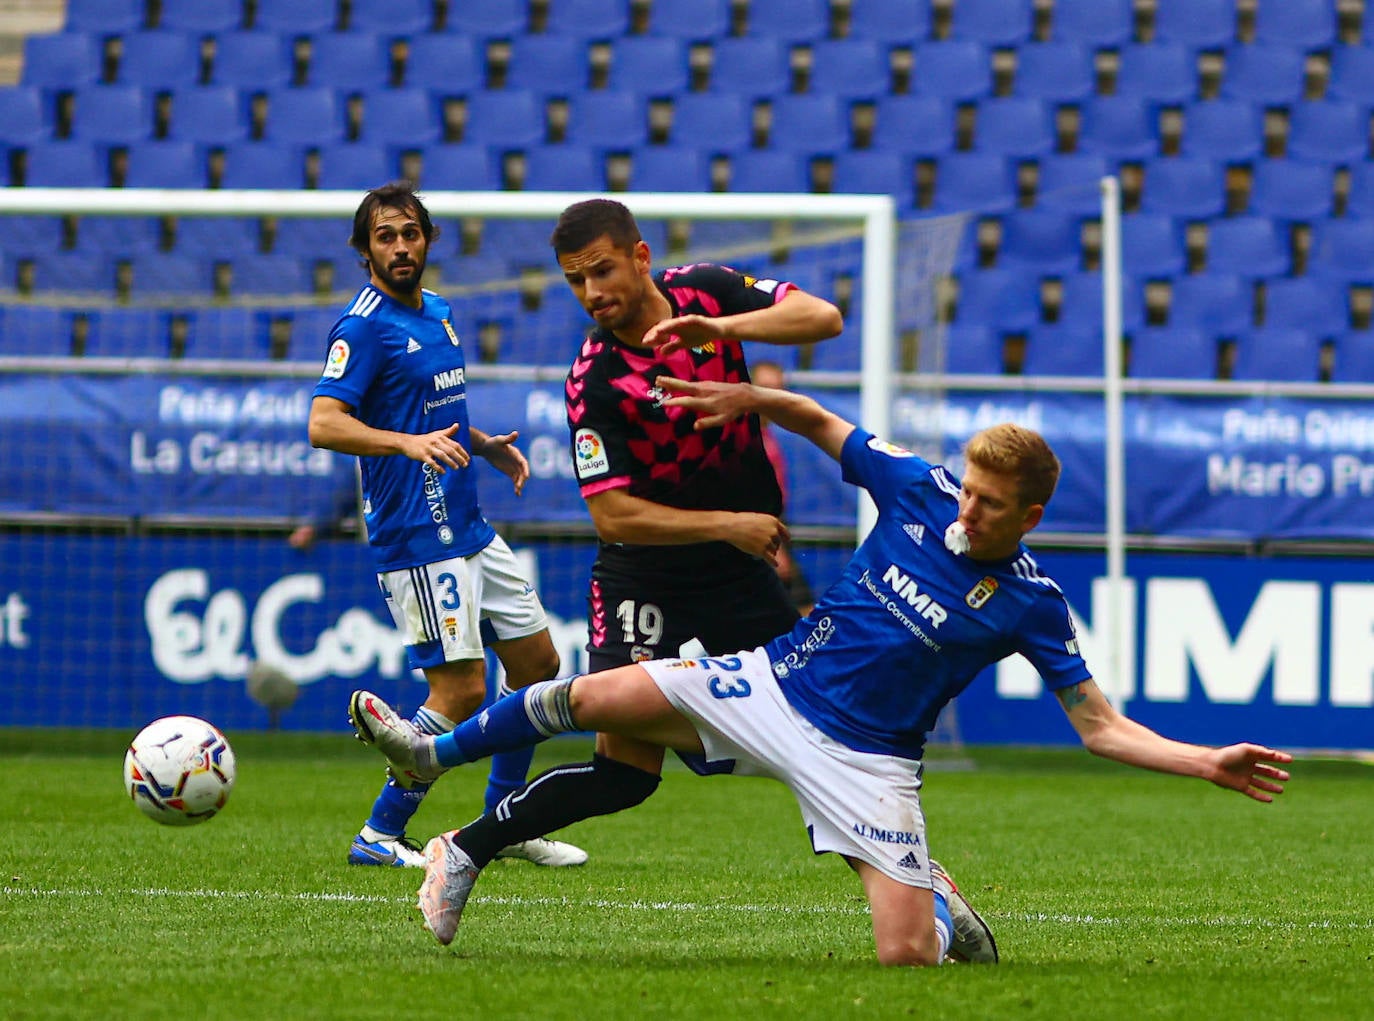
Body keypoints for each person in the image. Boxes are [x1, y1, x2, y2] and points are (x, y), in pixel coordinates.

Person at [348, 376, 1292, 966]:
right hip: (770, 686)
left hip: (871, 763)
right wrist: (747, 400)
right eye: (968, 487)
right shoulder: (916, 488)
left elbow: (1099, 725)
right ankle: (437, 777)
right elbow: (817, 417)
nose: (969, 508)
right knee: (594, 696)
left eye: (993, 503)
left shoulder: (1032, 601)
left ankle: (930, 894)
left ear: (1030, 516)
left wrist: (1203, 760)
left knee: (905, 959)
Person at [353, 197, 846, 871]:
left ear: (641, 257)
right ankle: (466, 847)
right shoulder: (596, 378)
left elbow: (824, 316)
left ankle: (911, 883)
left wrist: (721, 327)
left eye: (603, 272)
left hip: (739, 573)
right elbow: (614, 517)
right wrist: (729, 524)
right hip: (645, 576)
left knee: (820, 728)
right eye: (575, 281)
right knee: (625, 774)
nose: (592, 293)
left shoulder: (705, 290)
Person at [307, 181, 586, 869]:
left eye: (410, 233)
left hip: (467, 520)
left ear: (428, 239)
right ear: (364, 249)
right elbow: (323, 422)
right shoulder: (362, 327)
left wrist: (482, 443)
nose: (400, 246)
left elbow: (428, 410)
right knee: (459, 690)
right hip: (415, 532)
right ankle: (378, 832)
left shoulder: (438, 312)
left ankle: (504, 822)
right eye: (385, 236)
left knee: (538, 666)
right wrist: (406, 445)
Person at [750, 358, 815, 615]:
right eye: (766, 388)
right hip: (761, 531)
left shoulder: (768, 434)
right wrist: (775, 547)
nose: (773, 396)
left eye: (779, 389)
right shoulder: (748, 436)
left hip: (774, 527)